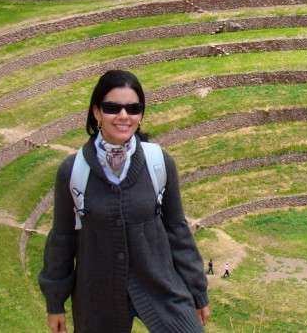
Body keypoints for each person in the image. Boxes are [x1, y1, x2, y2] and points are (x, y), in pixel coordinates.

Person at [38, 70, 210, 333]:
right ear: (96, 112)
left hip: (160, 287)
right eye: (112, 108)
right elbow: (62, 239)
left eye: (133, 108)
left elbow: (177, 229)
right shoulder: (73, 171)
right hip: (97, 297)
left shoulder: (159, 161)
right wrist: (55, 302)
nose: (123, 116)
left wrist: (198, 292)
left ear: (140, 115)